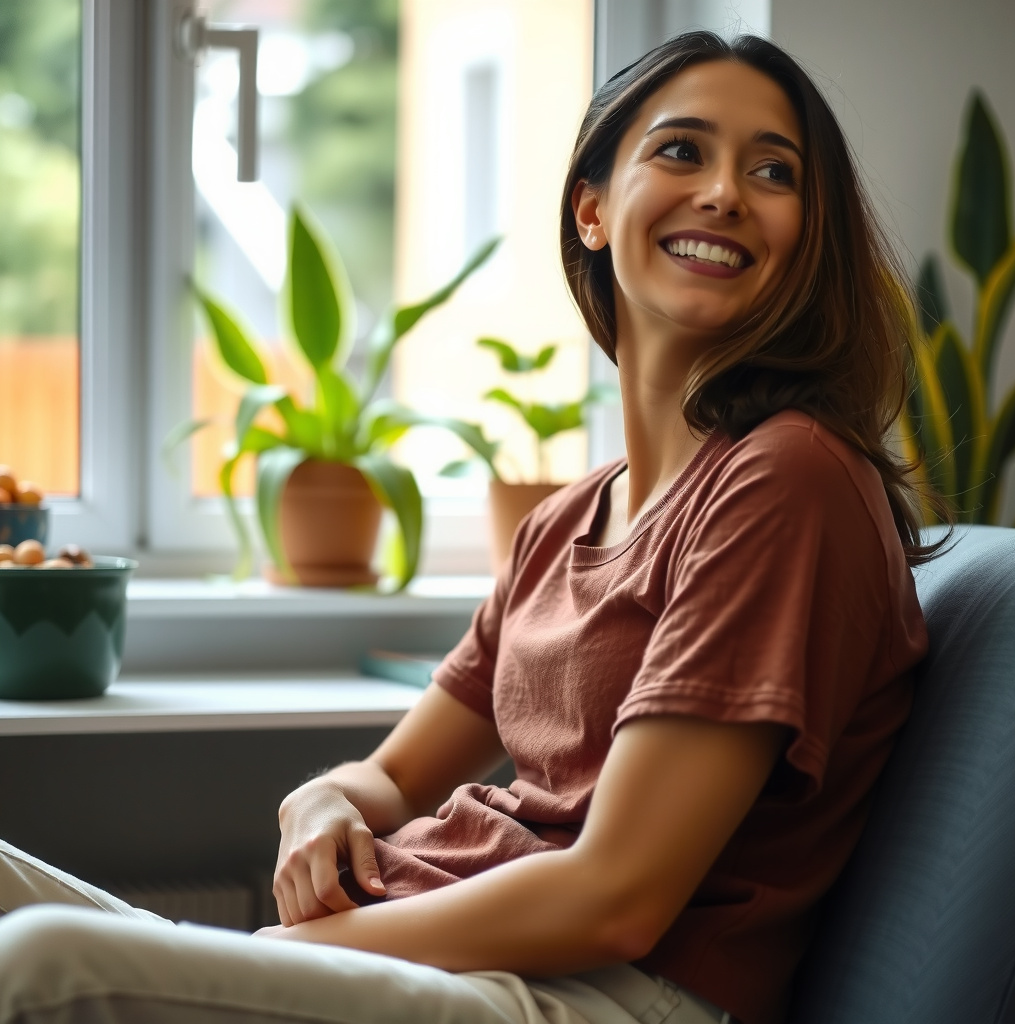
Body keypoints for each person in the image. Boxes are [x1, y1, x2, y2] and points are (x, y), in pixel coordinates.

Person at [0, 29, 943, 1024]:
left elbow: (615, 898)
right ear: (591, 208)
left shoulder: (783, 478)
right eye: (680, 150)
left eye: (773, 171)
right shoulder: (562, 523)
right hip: (443, 955)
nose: (724, 191)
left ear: (807, 234)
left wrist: (300, 945)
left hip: (603, 995)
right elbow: (394, 775)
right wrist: (316, 800)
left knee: (45, 960)